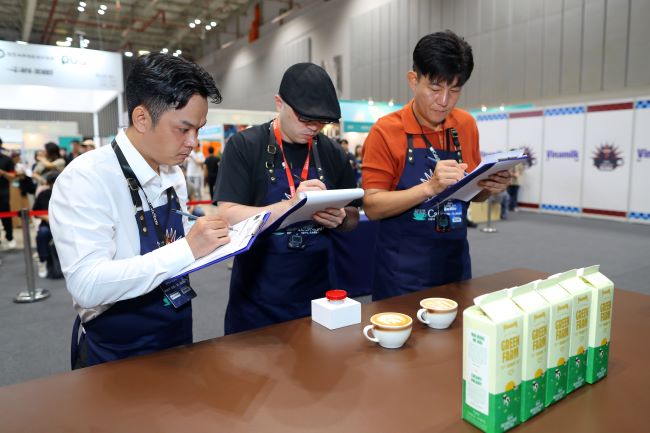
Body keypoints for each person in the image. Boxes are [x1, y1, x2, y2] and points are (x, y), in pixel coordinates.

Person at [49, 53, 231, 369]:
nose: (194, 143)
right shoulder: (86, 178)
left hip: (176, 329)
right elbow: (87, 285)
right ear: (142, 118)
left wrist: (216, 237)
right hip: (117, 352)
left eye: (199, 129)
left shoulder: (173, 172)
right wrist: (187, 249)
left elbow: (172, 237)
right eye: (184, 129)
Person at [361, 31, 511, 300]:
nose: (444, 101)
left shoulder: (465, 125)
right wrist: (429, 188)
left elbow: (473, 194)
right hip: (402, 272)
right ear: (413, 80)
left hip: (455, 265)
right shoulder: (385, 130)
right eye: (434, 88)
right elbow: (372, 206)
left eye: (454, 90)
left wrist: (489, 186)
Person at [215, 62, 360, 334]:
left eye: (321, 121)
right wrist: (290, 205)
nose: (314, 127)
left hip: (320, 296)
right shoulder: (245, 146)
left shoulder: (332, 152)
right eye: (305, 119)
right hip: (257, 299)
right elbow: (228, 215)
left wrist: (341, 218)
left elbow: (354, 215)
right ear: (279, 103)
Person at [33, 170, 59, 278]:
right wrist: (49, 219)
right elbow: (36, 212)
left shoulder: (68, 194)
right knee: (43, 233)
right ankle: (42, 261)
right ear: (48, 183)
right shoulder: (43, 195)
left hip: (65, 225)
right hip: (48, 225)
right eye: (53, 183)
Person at [0, 138, 16, 250]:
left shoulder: (7, 160)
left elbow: (13, 176)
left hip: (3, 193)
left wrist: (2, 173)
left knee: (6, 216)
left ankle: (9, 237)